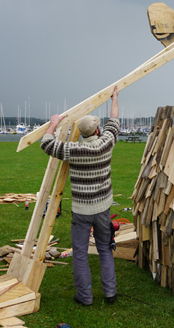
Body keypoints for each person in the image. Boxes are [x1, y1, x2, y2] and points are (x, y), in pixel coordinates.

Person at [40, 86, 120, 305]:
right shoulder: (106, 144)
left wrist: (54, 123)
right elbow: (114, 120)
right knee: (105, 249)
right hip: (103, 209)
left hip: (81, 211)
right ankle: (110, 293)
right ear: (97, 131)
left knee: (80, 254)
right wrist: (114, 98)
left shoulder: (73, 150)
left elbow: (46, 144)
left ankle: (85, 297)